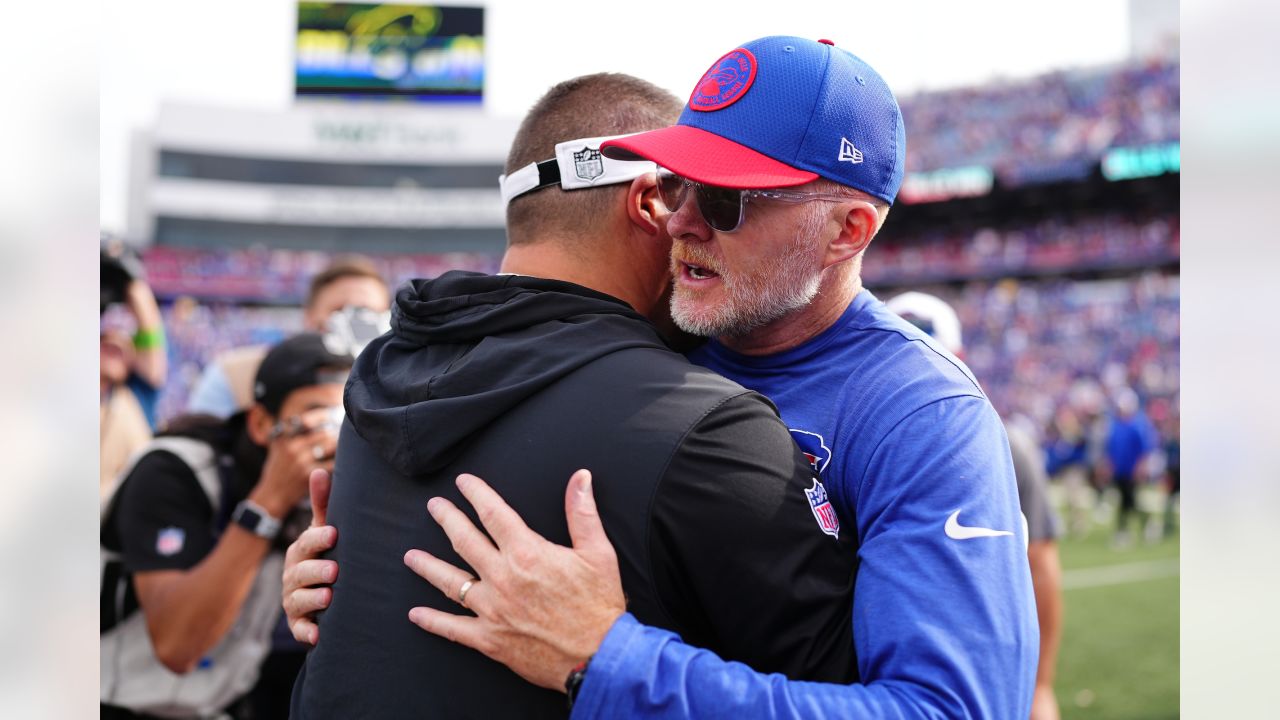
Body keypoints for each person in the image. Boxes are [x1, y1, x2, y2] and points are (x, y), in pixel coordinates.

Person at [287, 37, 1037, 719]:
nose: (679, 222)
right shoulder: (650, 340)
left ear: (848, 231)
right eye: (677, 184)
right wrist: (359, 567)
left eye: (724, 198)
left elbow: (950, 711)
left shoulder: (923, 415)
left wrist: (609, 661)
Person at [101, 333, 353, 720]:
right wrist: (268, 502)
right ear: (261, 423)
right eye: (316, 416)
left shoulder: (337, 488)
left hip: (222, 705)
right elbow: (177, 647)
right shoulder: (174, 470)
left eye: (344, 421)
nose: (329, 439)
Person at [886, 290, 1064, 720]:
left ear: (958, 355)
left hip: (976, 668)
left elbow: (1041, 565)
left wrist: (1040, 685)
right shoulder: (860, 438)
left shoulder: (1005, 443)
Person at [185, 255, 390, 417]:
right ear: (310, 318)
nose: (354, 321)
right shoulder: (235, 375)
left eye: (366, 313)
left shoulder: (402, 383)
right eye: (340, 310)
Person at [100, 246, 168, 498]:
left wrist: (132, 283)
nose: (114, 344)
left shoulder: (138, 395)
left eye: (121, 348)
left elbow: (150, 331)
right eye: (105, 343)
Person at [1102, 386, 1159, 547]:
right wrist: (1109, 466)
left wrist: (1140, 468)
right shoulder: (1116, 425)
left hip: (1132, 469)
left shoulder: (1138, 425)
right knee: (1127, 501)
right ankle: (1145, 524)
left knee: (1129, 501)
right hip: (1120, 469)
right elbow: (1112, 449)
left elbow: (1144, 450)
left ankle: (1126, 530)